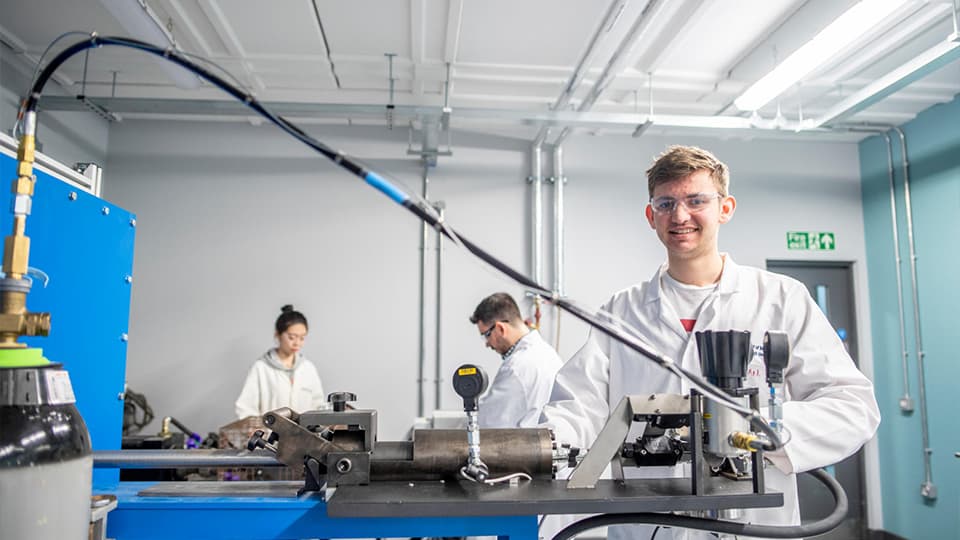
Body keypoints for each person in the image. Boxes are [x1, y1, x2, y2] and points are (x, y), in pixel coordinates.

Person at [540, 145, 881, 538]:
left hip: (755, 525)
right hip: (649, 524)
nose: (680, 215)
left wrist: (756, 430)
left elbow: (854, 408)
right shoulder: (621, 312)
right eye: (666, 203)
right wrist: (537, 447)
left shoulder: (781, 299)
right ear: (651, 216)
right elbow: (579, 407)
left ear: (725, 208)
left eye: (696, 200)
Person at [470, 292, 563, 428]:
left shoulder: (516, 367)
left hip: (528, 446)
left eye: (486, 335)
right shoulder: (548, 353)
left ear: (500, 328)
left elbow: (488, 424)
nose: (487, 343)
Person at [235, 305, 327, 419]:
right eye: (292, 337)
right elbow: (245, 408)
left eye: (302, 338)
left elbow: (318, 407)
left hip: (304, 436)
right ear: (278, 334)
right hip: (271, 435)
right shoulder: (261, 368)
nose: (297, 343)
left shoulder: (308, 368)